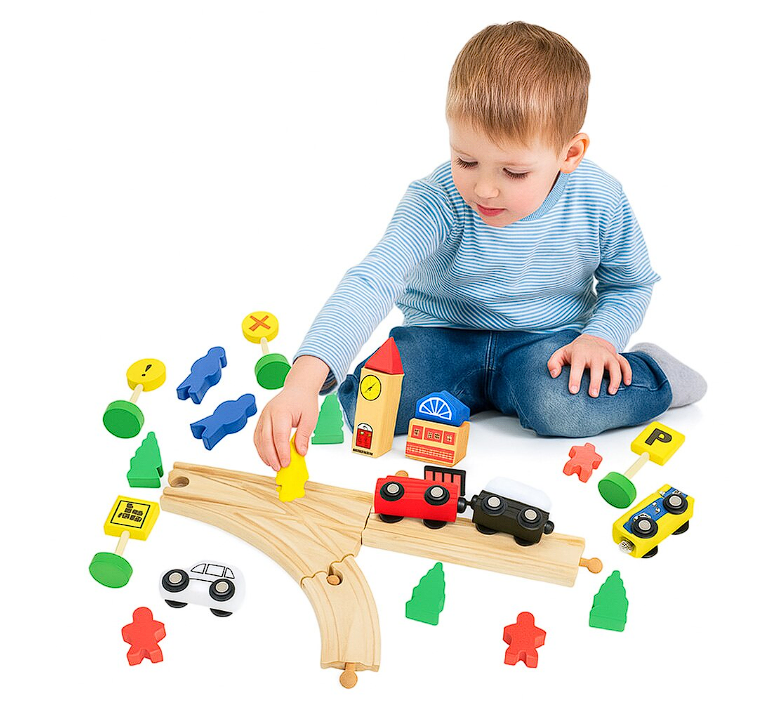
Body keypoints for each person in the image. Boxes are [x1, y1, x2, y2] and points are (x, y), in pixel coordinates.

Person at [254, 21, 706, 471]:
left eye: (514, 172)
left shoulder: (599, 198)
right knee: (366, 409)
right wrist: (301, 384)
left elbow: (629, 284)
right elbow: (373, 280)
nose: (485, 190)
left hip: (546, 343)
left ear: (569, 154)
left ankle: (656, 374)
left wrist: (600, 338)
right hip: (442, 337)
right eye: (466, 161)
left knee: (560, 406)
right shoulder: (436, 200)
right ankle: (482, 393)